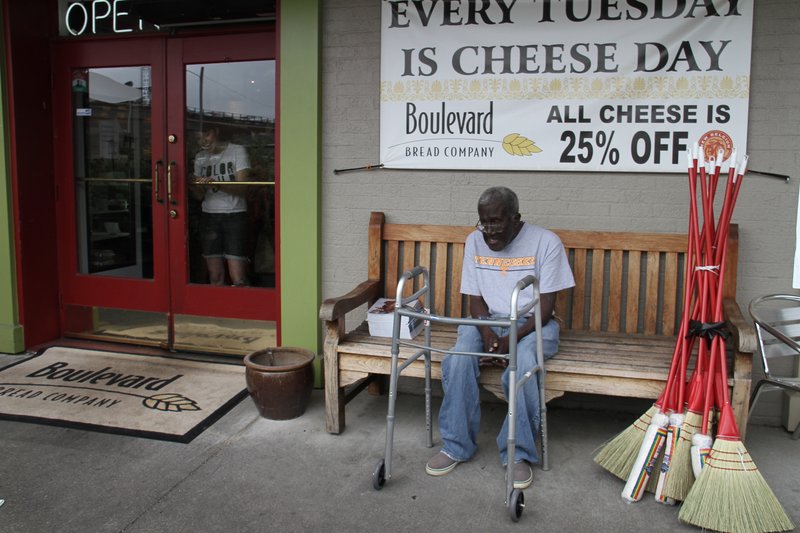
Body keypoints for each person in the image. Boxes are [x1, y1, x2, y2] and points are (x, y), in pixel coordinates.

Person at [425, 186, 575, 490]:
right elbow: (474, 300)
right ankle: (455, 445)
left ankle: (517, 453)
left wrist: (509, 341)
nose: (489, 231)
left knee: (521, 367)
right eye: (484, 222)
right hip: (487, 320)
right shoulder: (474, 240)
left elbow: (545, 310)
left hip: (532, 324)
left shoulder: (546, 242)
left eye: (497, 222)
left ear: (516, 219)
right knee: (457, 360)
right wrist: (489, 335)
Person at [190, 126, 251, 286]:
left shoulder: (237, 151)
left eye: (206, 134)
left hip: (235, 214)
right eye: (198, 137)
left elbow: (242, 188)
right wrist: (193, 184)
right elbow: (199, 196)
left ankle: (242, 309)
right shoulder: (200, 157)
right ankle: (216, 308)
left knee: (238, 276)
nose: (203, 140)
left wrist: (215, 184)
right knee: (215, 275)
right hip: (209, 215)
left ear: (216, 131)